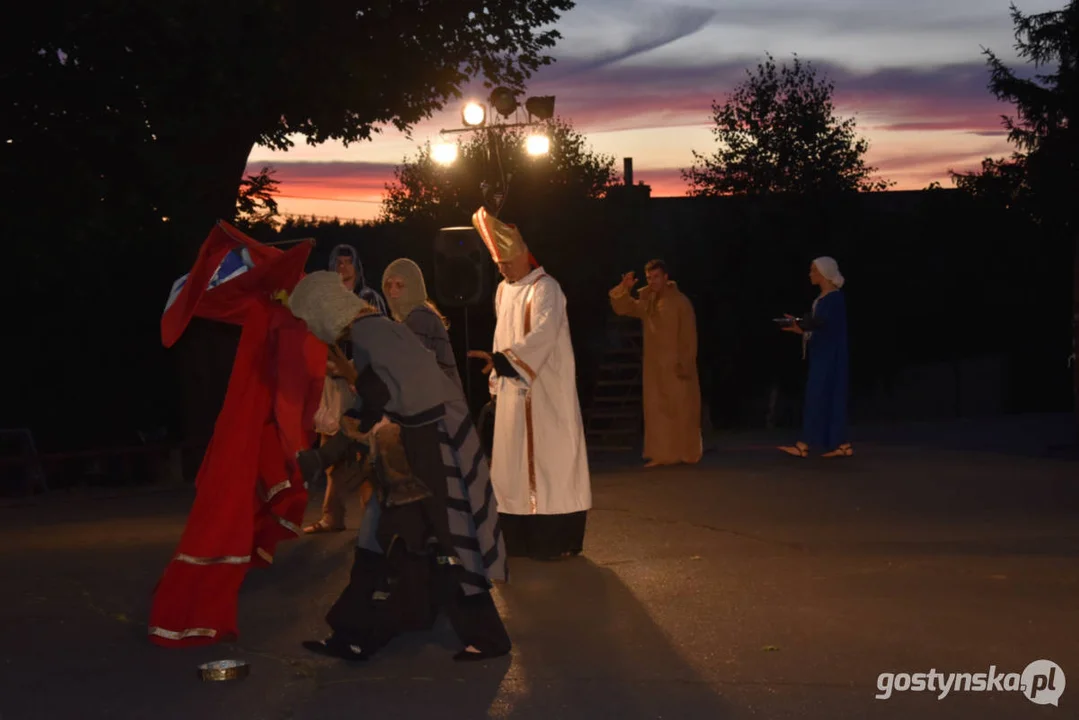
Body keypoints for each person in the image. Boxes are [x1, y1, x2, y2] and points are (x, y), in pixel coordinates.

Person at [287, 271, 510, 662]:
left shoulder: (372, 334)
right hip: (413, 451)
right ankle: (353, 634)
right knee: (392, 542)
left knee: (438, 543)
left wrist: (330, 449)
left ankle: (485, 638)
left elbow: (395, 397)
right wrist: (326, 453)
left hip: (427, 451)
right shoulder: (375, 330)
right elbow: (377, 401)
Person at [149, 221, 325, 647]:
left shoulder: (264, 308)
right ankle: (189, 612)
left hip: (253, 410)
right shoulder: (243, 306)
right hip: (239, 415)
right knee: (223, 506)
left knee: (249, 488)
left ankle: (226, 571)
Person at [466, 207, 591, 560]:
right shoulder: (503, 291)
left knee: (550, 463)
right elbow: (500, 335)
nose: (501, 268)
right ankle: (517, 539)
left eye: (506, 261)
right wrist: (496, 375)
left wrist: (507, 361)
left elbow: (544, 333)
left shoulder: (546, 289)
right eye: (497, 262)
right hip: (511, 389)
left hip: (546, 392)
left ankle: (558, 540)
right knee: (512, 466)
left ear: (522, 254)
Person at [304, 247, 385, 534]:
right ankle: (332, 516)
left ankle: (375, 519)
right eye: (338, 262)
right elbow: (315, 335)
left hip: (360, 378)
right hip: (332, 381)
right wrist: (325, 364)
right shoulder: (325, 301)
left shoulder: (369, 297)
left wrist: (360, 372)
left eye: (348, 261)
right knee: (331, 449)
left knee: (366, 451)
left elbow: (380, 336)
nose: (343, 267)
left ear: (357, 265)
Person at [609, 259, 702, 467]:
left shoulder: (680, 302)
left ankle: (687, 452)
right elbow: (624, 308)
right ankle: (662, 454)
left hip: (675, 365)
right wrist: (624, 289)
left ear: (666, 277)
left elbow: (688, 335)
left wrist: (685, 362)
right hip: (654, 366)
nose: (652, 281)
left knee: (681, 408)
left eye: (656, 277)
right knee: (657, 411)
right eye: (649, 278)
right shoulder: (647, 301)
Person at [778, 256, 852, 458]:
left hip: (830, 355)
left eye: (814, 270)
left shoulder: (834, 298)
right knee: (824, 395)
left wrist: (801, 323)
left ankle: (808, 444)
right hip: (823, 353)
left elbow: (822, 323)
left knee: (820, 395)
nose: (810, 274)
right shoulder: (824, 298)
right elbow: (820, 327)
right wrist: (799, 328)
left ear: (824, 273)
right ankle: (838, 443)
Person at [382, 258, 462, 387]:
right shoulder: (417, 315)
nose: (392, 291)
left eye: (400, 285)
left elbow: (409, 365)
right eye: (388, 285)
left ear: (414, 286)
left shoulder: (420, 316)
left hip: (438, 401)